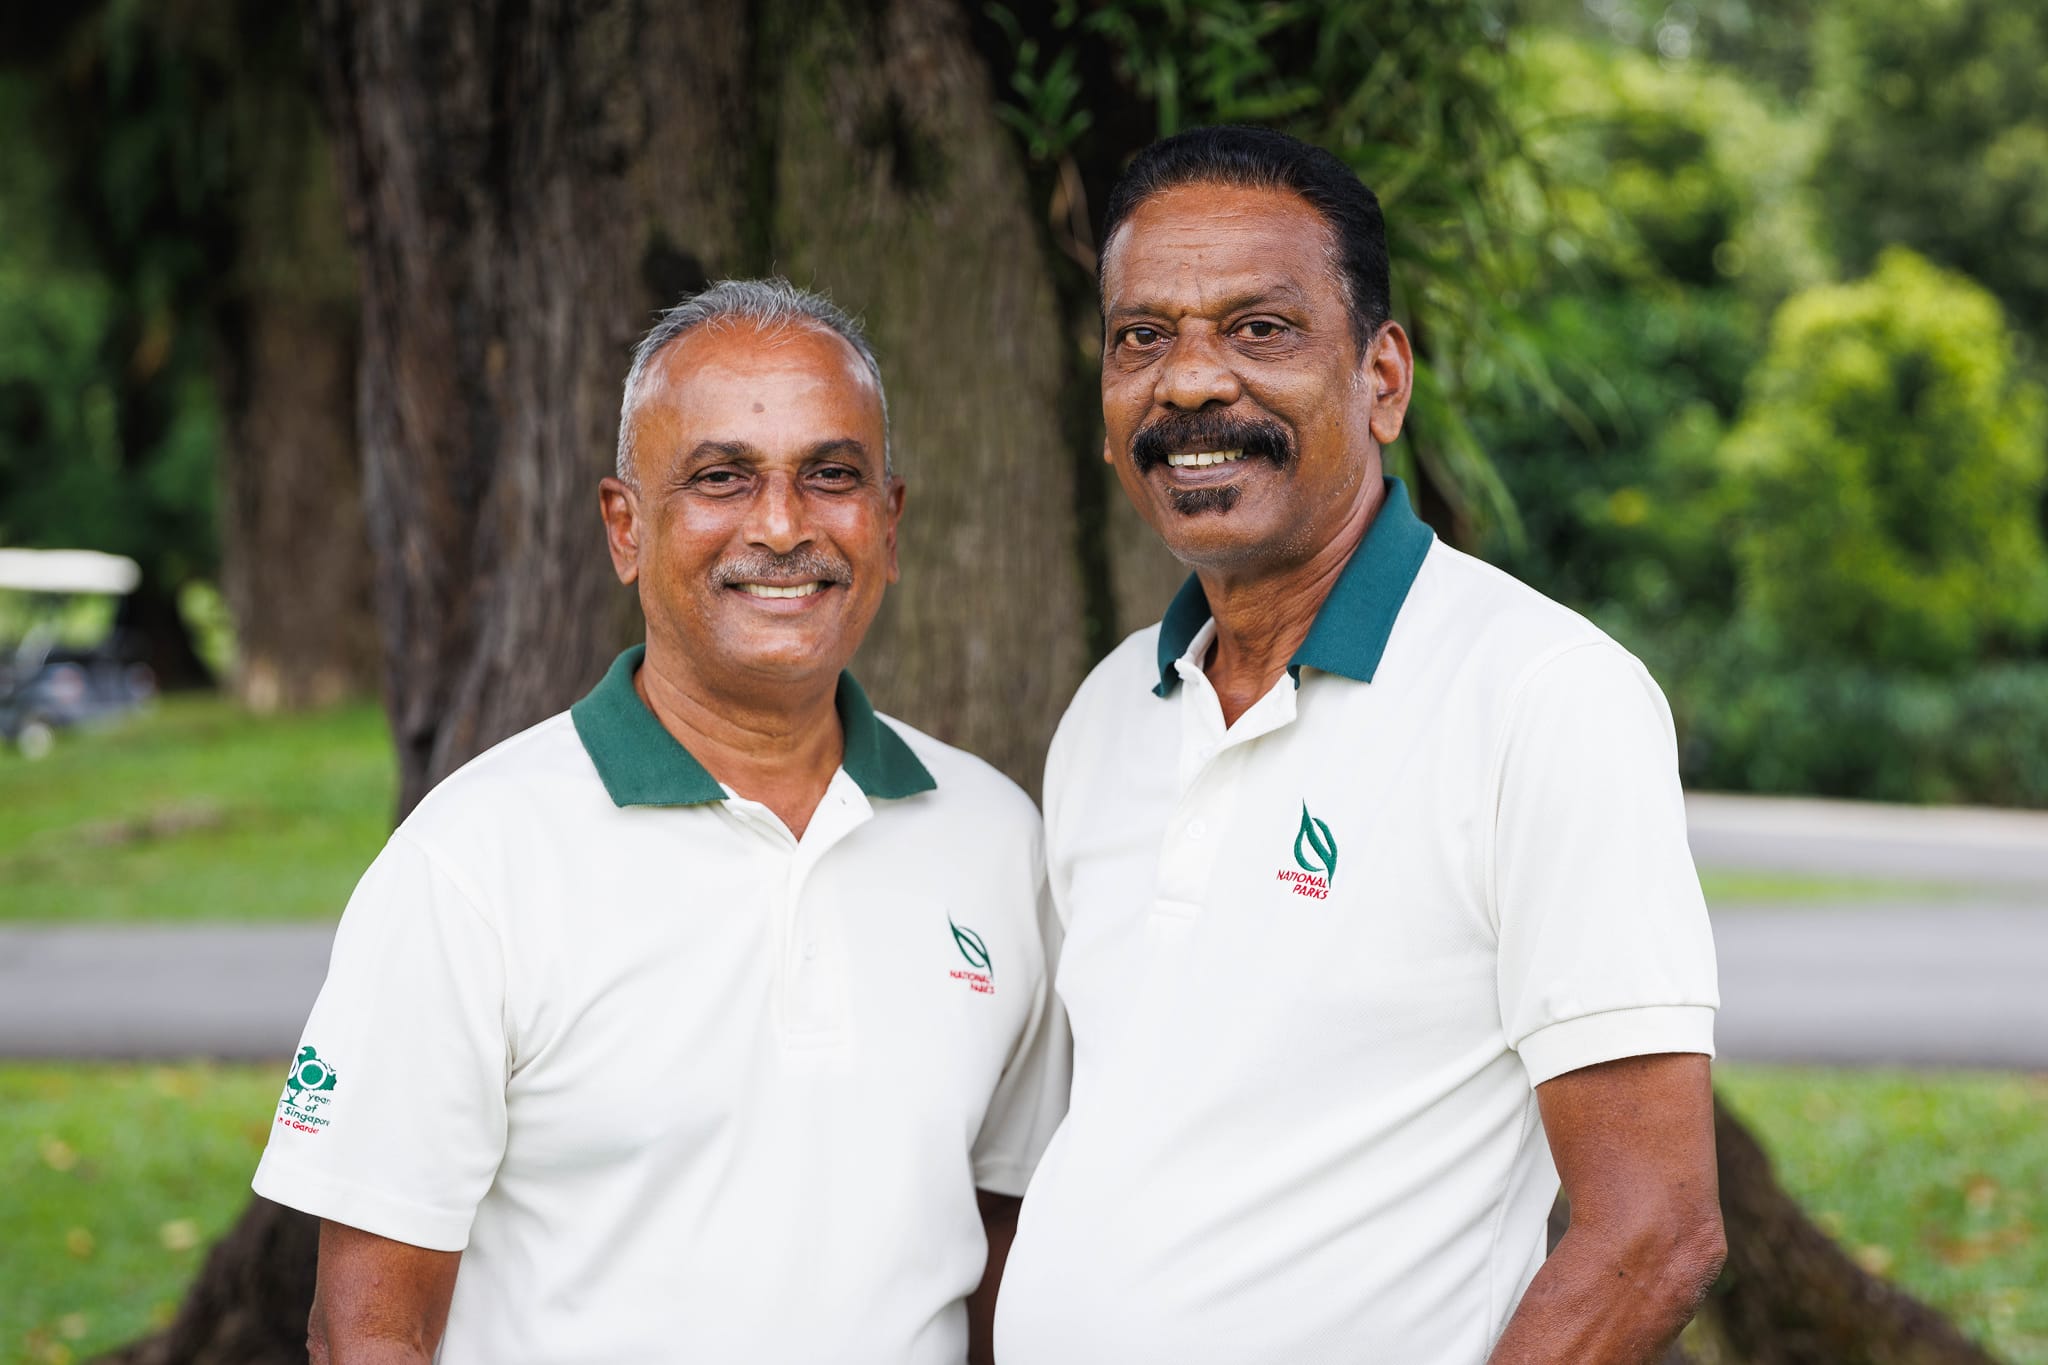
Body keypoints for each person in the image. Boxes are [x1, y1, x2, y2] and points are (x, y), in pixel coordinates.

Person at [993, 126, 1724, 1364]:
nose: (1186, 385)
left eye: (1258, 329)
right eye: (1142, 336)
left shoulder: (1542, 695)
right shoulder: (1113, 706)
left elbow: (1654, 1232)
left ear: (1382, 378)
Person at [252, 279, 1068, 1365]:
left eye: (831, 476)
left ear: (888, 521)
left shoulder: (993, 840)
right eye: (720, 479)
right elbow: (368, 1329)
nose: (781, 526)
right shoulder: (473, 862)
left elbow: (1005, 1241)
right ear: (625, 526)